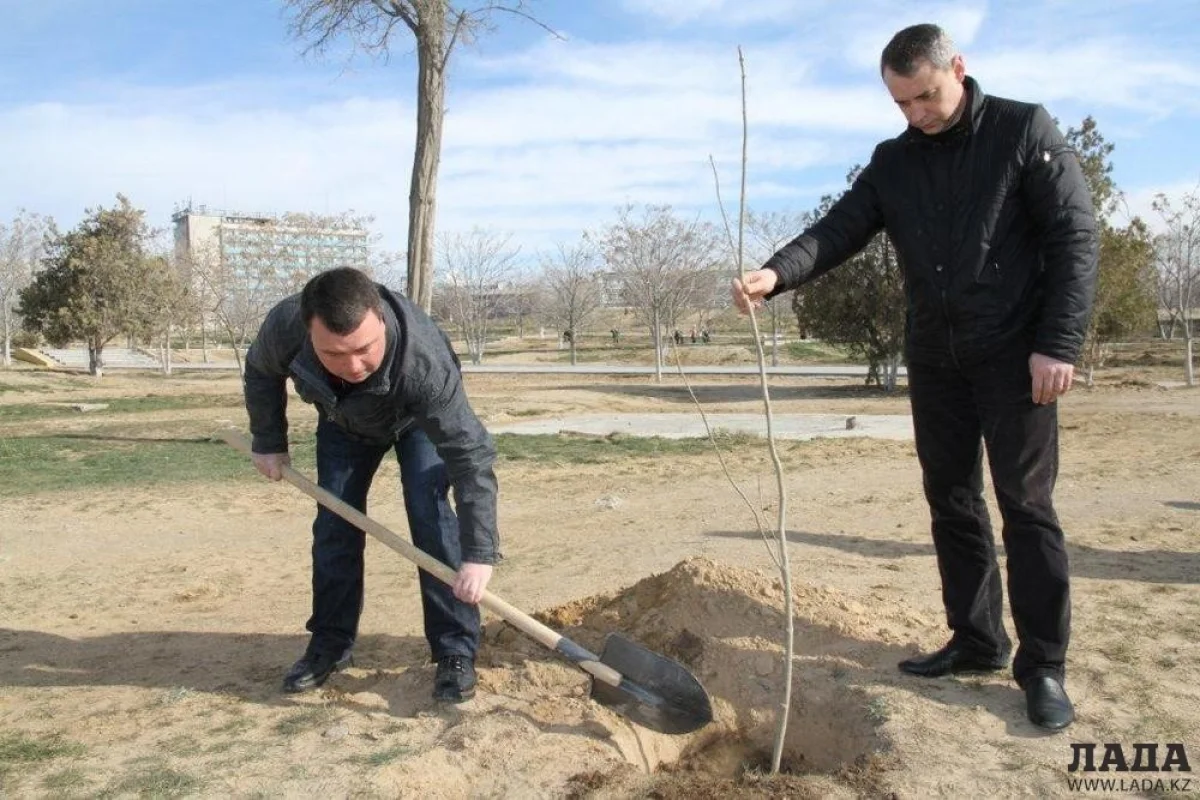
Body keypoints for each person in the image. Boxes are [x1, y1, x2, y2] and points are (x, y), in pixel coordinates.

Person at [732, 24, 1097, 731]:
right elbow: (836, 230)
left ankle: (1044, 667)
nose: (917, 115)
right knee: (952, 501)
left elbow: (1074, 236)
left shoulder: (1025, 130)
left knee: (1025, 507)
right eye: (901, 104)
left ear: (957, 68)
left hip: (1017, 355)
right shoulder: (893, 162)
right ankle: (976, 639)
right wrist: (775, 273)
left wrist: (1057, 343)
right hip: (935, 357)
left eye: (925, 97)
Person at [242, 266, 500, 703]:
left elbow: (470, 456)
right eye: (334, 354)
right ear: (308, 332)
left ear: (380, 318)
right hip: (343, 424)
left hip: (416, 422)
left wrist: (478, 554)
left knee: (430, 517)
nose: (354, 365)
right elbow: (261, 371)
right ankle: (330, 644)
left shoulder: (425, 362)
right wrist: (269, 441)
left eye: (364, 349)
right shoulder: (285, 325)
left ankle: (454, 651)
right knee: (334, 527)